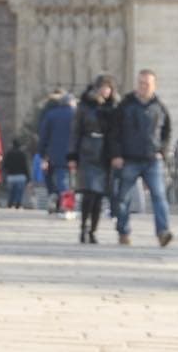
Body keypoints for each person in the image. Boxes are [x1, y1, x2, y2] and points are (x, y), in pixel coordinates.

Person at [108, 68, 173, 247]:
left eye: (147, 84)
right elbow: (114, 132)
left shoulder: (159, 107)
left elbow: (167, 132)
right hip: (128, 159)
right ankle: (123, 231)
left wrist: (163, 151)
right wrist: (116, 155)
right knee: (123, 198)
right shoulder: (125, 105)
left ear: (154, 85)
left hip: (152, 159)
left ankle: (163, 232)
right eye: (141, 83)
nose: (143, 87)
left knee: (159, 196)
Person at [69, 73, 117, 243]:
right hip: (87, 151)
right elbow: (76, 131)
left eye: (108, 88)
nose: (105, 91)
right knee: (88, 193)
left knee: (98, 195)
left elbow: (115, 131)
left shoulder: (112, 108)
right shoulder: (85, 106)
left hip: (104, 153)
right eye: (103, 87)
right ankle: (83, 227)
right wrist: (72, 155)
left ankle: (93, 230)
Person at [37, 88, 75, 215]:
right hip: (73, 154)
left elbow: (43, 136)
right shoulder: (76, 114)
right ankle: (65, 204)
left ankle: (54, 195)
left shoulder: (51, 115)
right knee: (66, 180)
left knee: (55, 177)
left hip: (53, 153)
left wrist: (42, 153)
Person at [1, 138, 30, 209]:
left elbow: (4, 166)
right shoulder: (22, 154)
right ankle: (18, 203)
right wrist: (28, 177)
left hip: (11, 176)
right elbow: (25, 167)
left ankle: (10, 203)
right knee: (19, 192)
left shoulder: (9, 153)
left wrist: (4, 175)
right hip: (21, 176)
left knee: (11, 191)